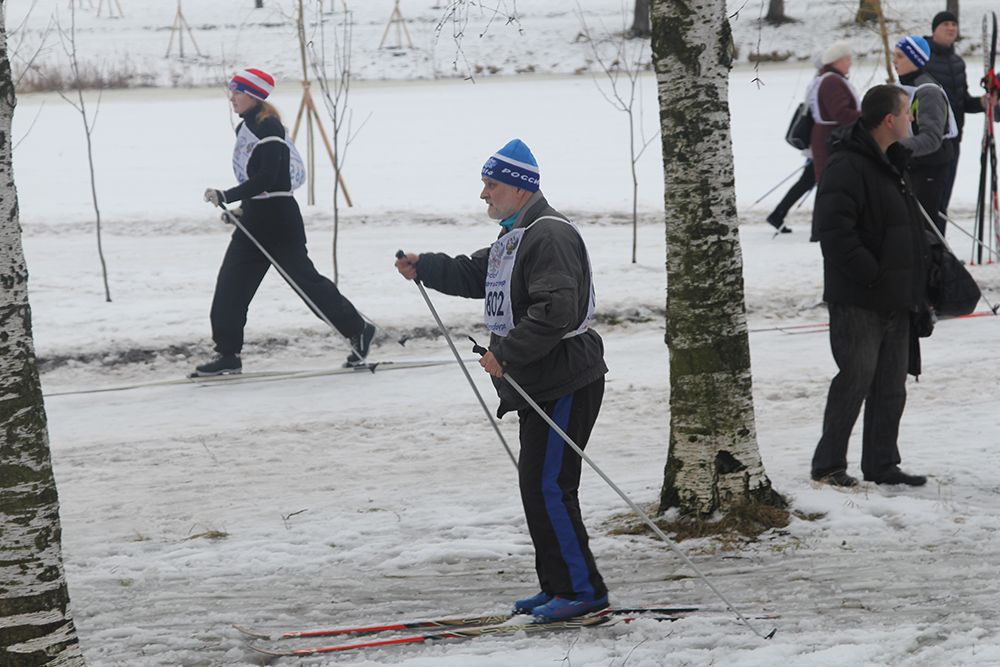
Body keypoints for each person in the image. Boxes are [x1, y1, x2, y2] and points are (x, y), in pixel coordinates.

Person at [394, 139, 609, 621]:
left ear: (518, 187)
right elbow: (478, 275)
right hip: (540, 380)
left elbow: (557, 309)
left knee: (550, 486)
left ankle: (582, 591)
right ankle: (558, 585)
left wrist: (505, 354)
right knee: (537, 485)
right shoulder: (518, 234)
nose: (483, 194)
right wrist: (424, 265)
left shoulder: (547, 234)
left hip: (565, 378)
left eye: (490, 184)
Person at [194, 68, 375, 376]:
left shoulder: (269, 128)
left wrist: (228, 194)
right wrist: (242, 208)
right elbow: (261, 184)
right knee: (230, 288)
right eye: (232, 91)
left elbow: (271, 178)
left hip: (279, 224)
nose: (232, 98)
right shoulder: (246, 128)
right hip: (254, 222)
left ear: (253, 95)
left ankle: (358, 329)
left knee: (307, 286)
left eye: (237, 92)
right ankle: (227, 354)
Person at [810, 85, 930, 488]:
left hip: (896, 297)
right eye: (906, 112)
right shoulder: (847, 164)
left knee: (891, 387)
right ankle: (828, 466)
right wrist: (873, 274)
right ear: (888, 120)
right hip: (860, 297)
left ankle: (882, 465)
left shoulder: (893, 162)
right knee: (855, 379)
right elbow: (833, 231)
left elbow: (907, 230)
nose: (911, 119)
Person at [924, 11, 991, 219]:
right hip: (928, 142)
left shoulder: (957, 63)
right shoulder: (923, 58)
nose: (951, 28)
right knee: (927, 202)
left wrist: (982, 102)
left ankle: (938, 248)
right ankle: (923, 249)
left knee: (943, 202)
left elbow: (962, 102)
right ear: (934, 29)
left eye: (954, 24)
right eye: (945, 24)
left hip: (953, 142)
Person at [893, 35, 959, 236]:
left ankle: (936, 265)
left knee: (926, 228)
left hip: (932, 165)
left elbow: (931, 139)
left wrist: (894, 147)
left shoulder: (927, 90)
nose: (894, 61)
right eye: (894, 55)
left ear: (915, 59)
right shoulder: (903, 86)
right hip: (913, 164)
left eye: (900, 56)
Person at [804, 41, 861, 240]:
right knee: (830, 184)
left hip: (828, 137)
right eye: (847, 59)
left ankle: (822, 228)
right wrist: (865, 117)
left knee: (828, 183)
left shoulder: (829, 78)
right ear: (837, 60)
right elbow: (841, 113)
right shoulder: (832, 82)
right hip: (831, 138)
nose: (850, 64)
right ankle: (822, 229)